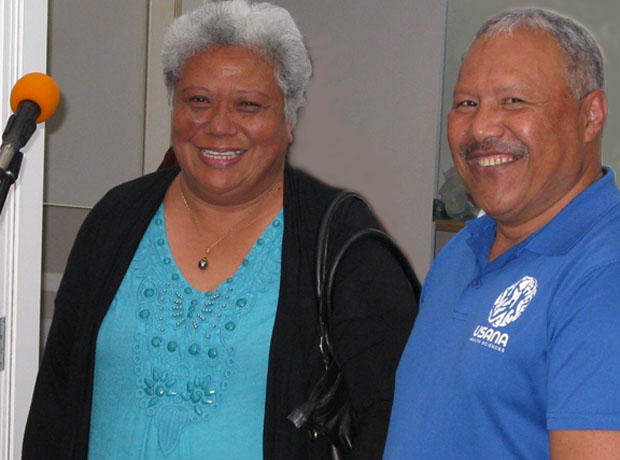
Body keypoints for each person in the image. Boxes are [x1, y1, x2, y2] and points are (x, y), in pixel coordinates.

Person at [23, 1, 417, 459]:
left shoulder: (344, 244)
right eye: (198, 101)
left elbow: (393, 418)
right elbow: (56, 397)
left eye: (248, 105)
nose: (218, 126)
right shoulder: (115, 219)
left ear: (288, 119)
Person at [382, 7, 620, 460]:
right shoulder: (465, 248)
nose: (480, 127)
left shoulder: (606, 276)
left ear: (591, 115)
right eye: (466, 104)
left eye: (513, 101)